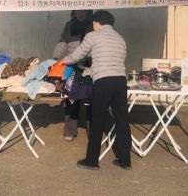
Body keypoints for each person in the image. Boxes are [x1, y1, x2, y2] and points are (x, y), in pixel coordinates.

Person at [61, 10, 132, 171]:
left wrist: (63, 61)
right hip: (120, 81)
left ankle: (92, 160)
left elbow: (78, 54)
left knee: (97, 119)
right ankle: (125, 160)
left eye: (93, 23)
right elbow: (121, 58)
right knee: (122, 120)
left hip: (103, 81)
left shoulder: (93, 36)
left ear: (97, 22)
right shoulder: (120, 38)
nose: (92, 25)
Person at [53, 10, 94, 141]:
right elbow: (62, 42)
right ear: (74, 12)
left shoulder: (94, 25)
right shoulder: (69, 25)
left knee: (91, 96)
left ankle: (92, 130)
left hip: (89, 65)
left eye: (83, 11)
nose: (80, 14)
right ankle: (70, 129)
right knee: (71, 95)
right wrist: (55, 58)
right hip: (72, 65)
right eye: (77, 11)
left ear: (88, 12)